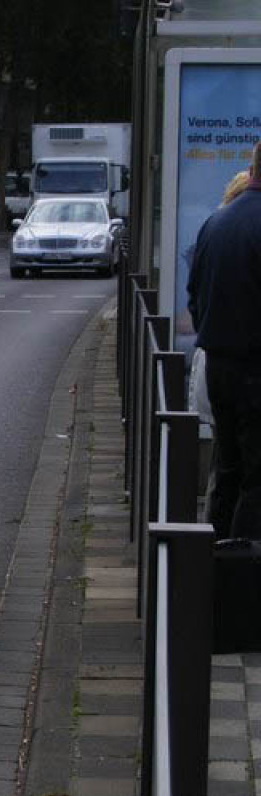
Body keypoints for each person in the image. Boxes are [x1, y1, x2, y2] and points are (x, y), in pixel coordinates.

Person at [186, 141, 261, 540]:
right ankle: (245, 582)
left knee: (227, 469)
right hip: (255, 371)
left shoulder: (216, 223)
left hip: (219, 366)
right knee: (257, 481)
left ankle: (211, 568)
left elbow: (194, 295)